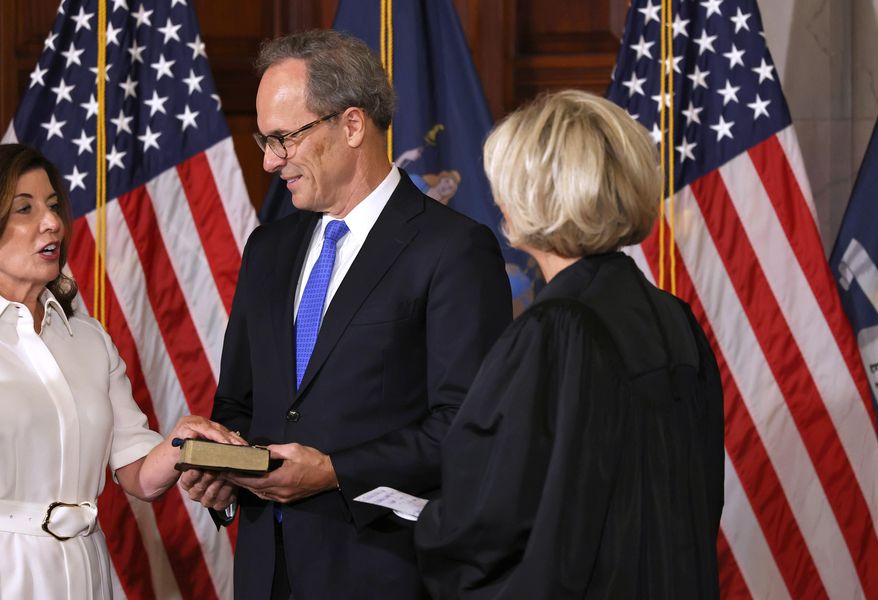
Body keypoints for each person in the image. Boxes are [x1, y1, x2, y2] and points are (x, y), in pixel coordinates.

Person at [178, 29, 512, 600]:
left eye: (283, 138)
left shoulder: (453, 248)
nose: (268, 160)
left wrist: (334, 470)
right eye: (264, 139)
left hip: (382, 573)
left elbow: (466, 427)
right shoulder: (269, 249)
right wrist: (219, 461)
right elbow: (239, 401)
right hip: (266, 574)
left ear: (352, 125)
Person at [0, 144, 243, 599]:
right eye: (25, 208)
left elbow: (137, 472)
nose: (52, 223)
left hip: (83, 565)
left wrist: (184, 442)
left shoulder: (88, 337)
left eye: (54, 206)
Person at [414, 90, 726, 599]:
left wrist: (420, 526)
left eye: (507, 184)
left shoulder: (557, 329)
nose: (497, 200)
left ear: (540, 194)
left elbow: (490, 517)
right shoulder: (673, 318)